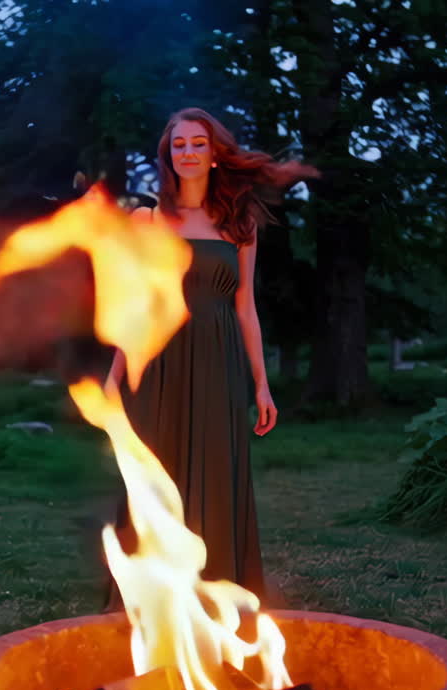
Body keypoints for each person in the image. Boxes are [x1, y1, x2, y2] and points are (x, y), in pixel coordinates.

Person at [104, 107, 317, 608]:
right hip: (159, 363)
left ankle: (216, 597)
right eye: (178, 145)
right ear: (168, 155)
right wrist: (113, 376)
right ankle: (150, 602)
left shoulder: (240, 223)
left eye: (198, 144)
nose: (188, 153)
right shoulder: (146, 219)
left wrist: (261, 384)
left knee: (217, 473)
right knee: (155, 471)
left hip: (220, 361)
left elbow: (246, 308)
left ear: (215, 155)